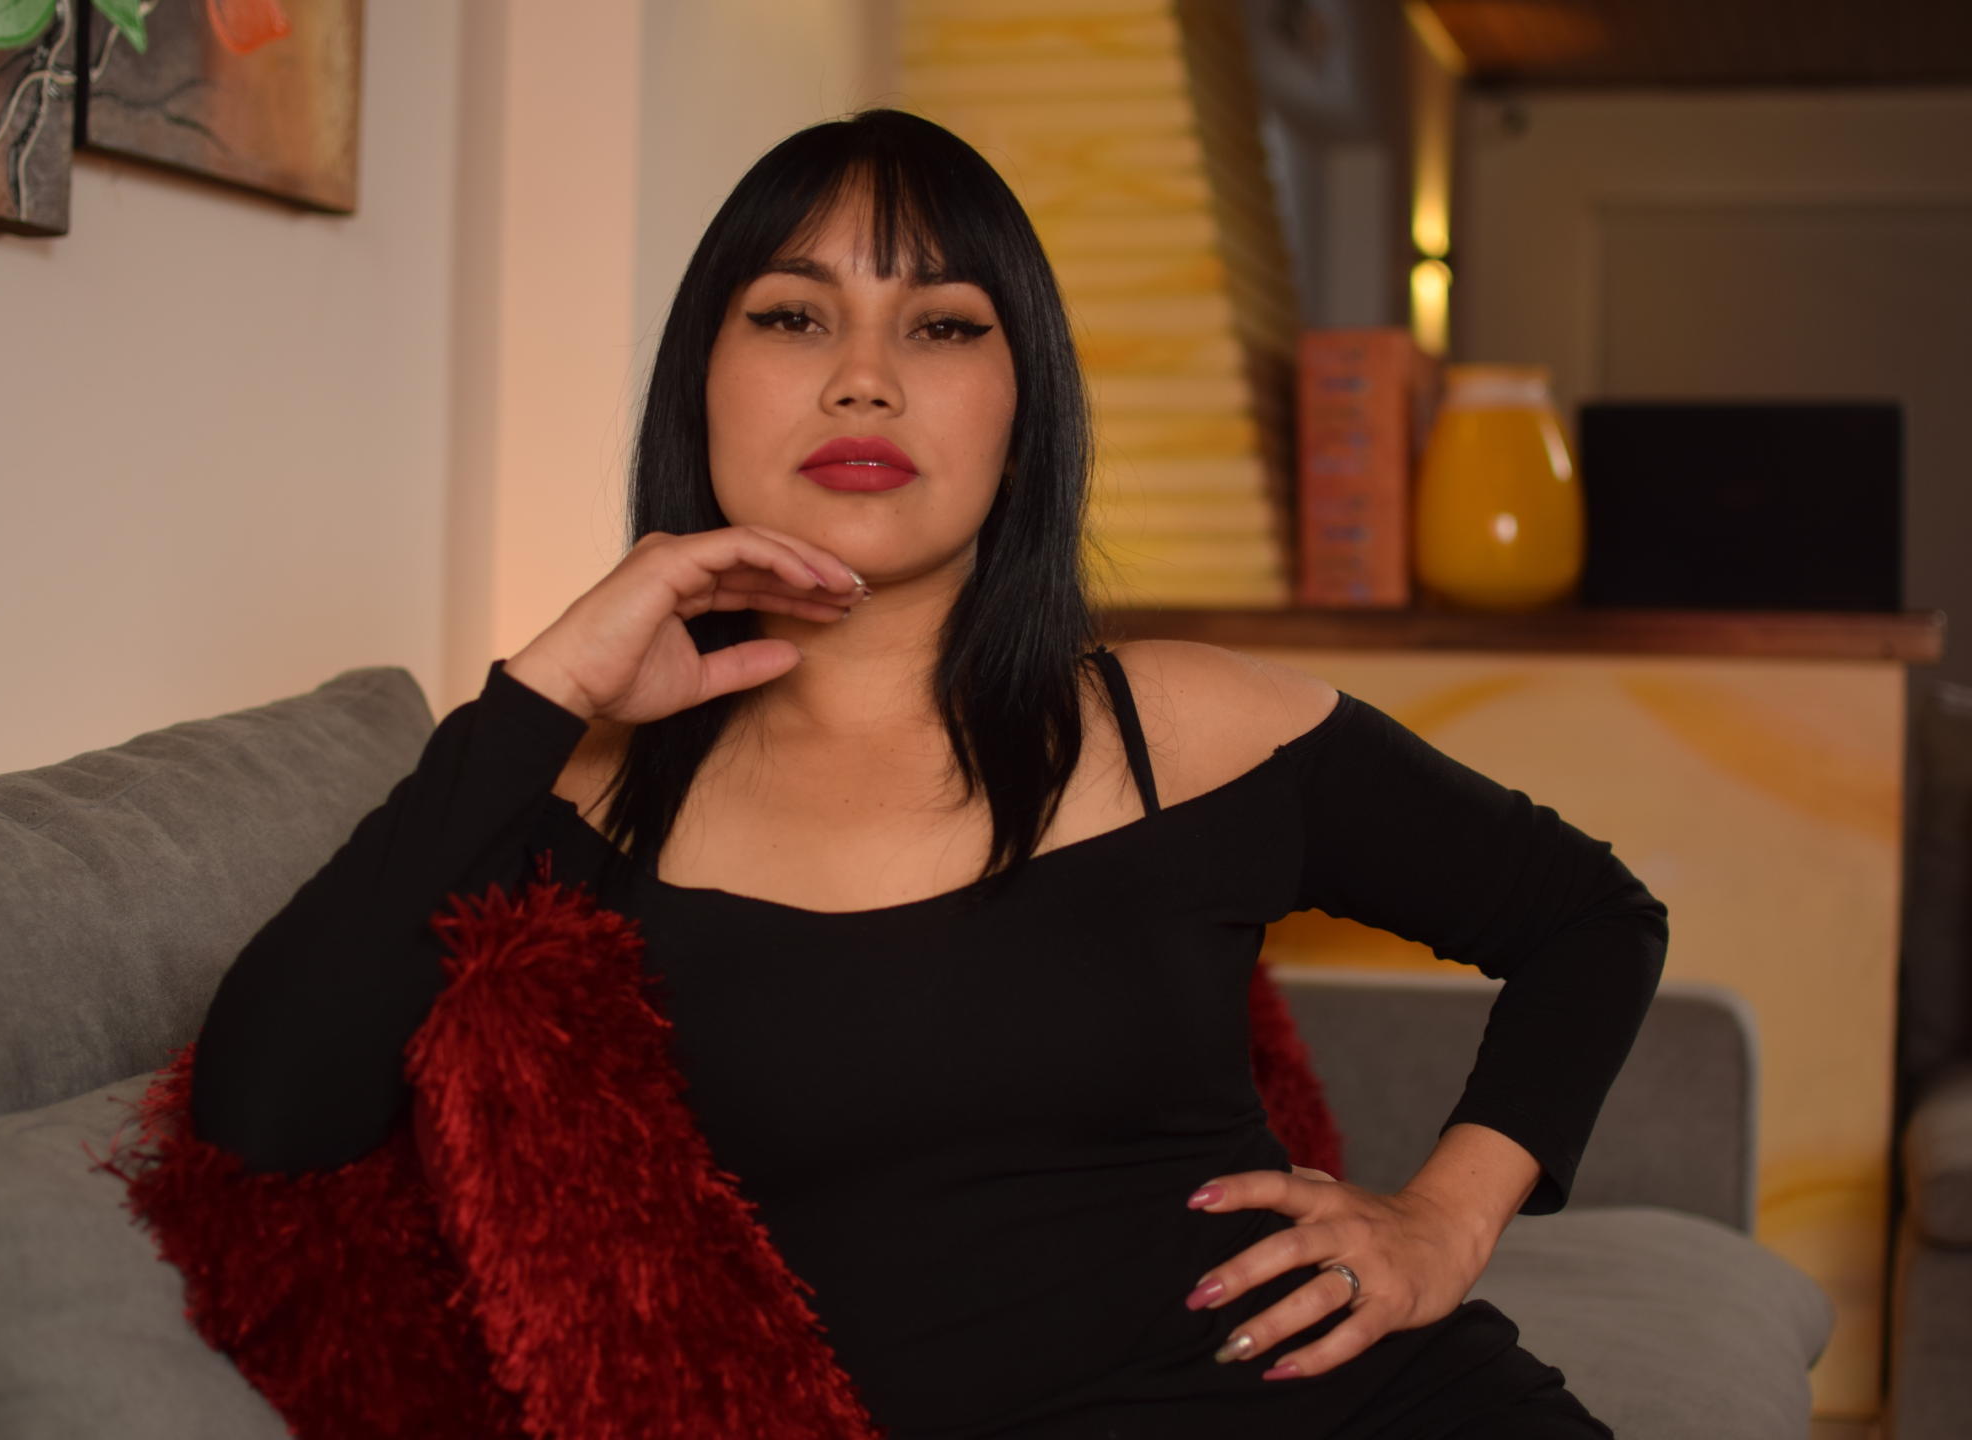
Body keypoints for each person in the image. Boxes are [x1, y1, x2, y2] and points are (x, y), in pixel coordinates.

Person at [188, 109, 1667, 1438]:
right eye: (793, 317)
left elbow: (1591, 917)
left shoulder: (1190, 723)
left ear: (1023, 412)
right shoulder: (578, 791)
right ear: (701, 385)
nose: (864, 380)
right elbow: (267, 1114)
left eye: (944, 327)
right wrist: (546, 693)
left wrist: (1445, 1221)